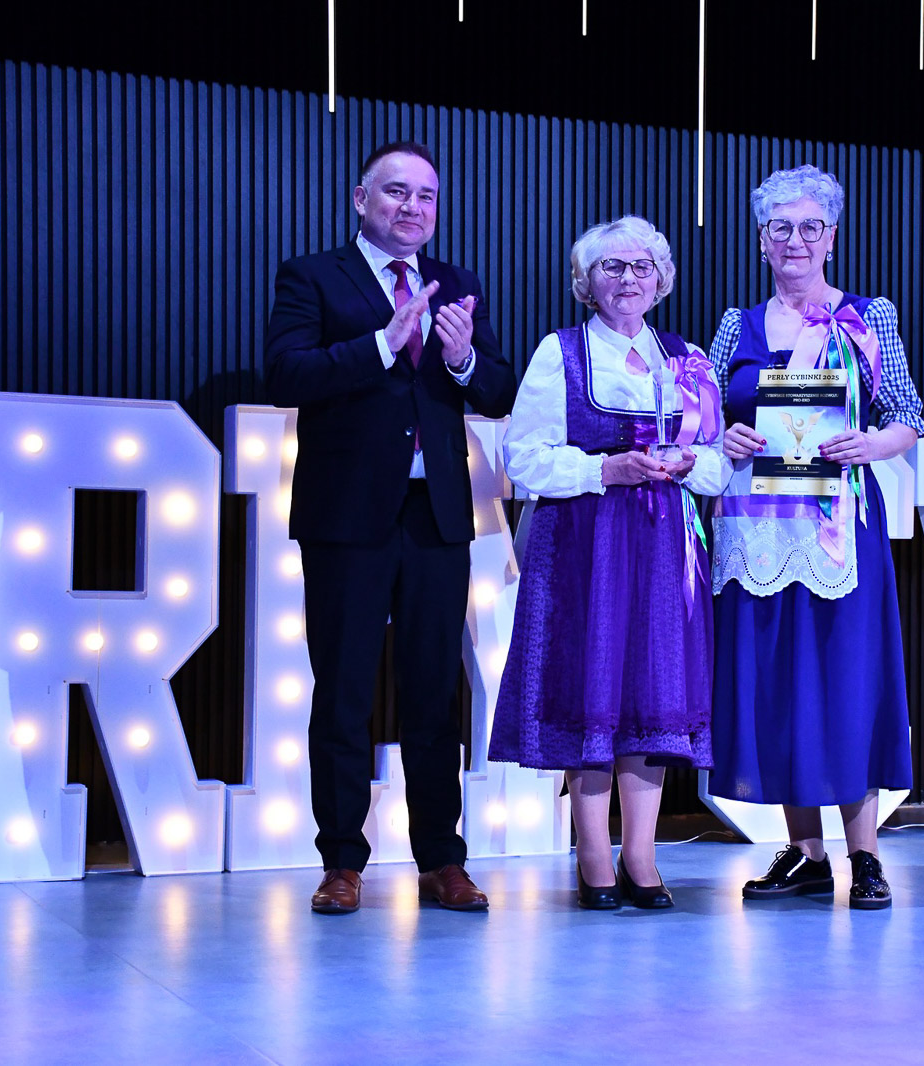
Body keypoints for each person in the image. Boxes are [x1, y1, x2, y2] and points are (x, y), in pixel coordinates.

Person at [264, 142, 517, 915]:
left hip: (436, 514)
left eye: (426, 196)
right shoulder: (313, 276)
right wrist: (382, 342)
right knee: (343, 690)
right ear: (360, 198)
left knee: (434, 692)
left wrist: (464, 358)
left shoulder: (458, 284)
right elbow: (286, 375)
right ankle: (342, 861)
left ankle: (442, 860)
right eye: (397, 192)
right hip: (347, 514)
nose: (413, 207)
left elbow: (499, 391)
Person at [490, 216, 731, 910]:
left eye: (641, 266)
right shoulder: (560, 352)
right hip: (582, 544)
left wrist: (688, 462)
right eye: (611, 267)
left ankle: (642, 857)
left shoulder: (687, 359)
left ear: (662, 280)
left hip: (663, 547)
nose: (628, 279)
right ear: (585, 283)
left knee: (653, 696)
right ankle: (594, 857)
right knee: (590, 691)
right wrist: (605, 469)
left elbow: (718, 464)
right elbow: (523, 457)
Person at [706, 165, 924, 910]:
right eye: (780, 228)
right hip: (757, 532)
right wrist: (724, 436)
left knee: (845, 680)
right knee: (775, 685)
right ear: (761, 240)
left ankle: (864, 856)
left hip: (839, 529)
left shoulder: (868, 317)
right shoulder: (736, 326)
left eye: (809, 227)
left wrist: (873, 444)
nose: (795, 240)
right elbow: (705, 417)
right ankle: (805, 855)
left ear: (831, 237)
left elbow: (908, 415)